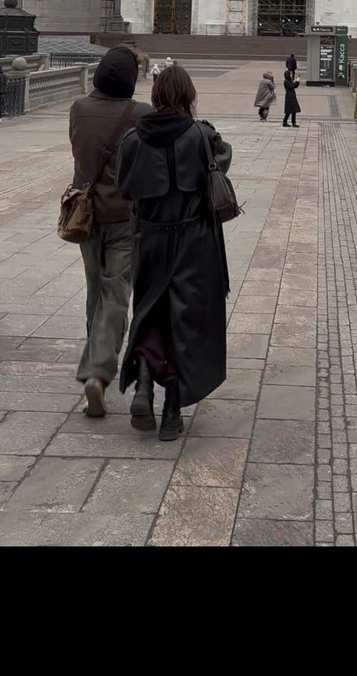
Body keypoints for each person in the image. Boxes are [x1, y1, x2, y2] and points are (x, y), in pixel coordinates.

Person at [118, 65, 231, 441]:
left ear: (155, 94)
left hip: (149, 240)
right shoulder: (202, 135)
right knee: (189, 323)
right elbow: (223, 164)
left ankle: (146, 383)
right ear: (188, 95)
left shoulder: (133, 139)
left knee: (150, 310)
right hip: (194, 242)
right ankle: (171, 412)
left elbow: (124, 189)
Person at [69, 47, 152, 418]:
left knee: (94, 292)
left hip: (85, 218)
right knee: (115, 293)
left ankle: (94, 360)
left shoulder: (78, 109)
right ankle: (98, 372)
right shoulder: (140, 114)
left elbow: (78, 153)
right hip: (124, 217)